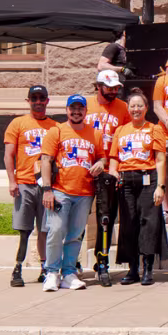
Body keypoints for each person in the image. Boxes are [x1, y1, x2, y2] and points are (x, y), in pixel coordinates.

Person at [39, 94, 104, 292]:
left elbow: (102, 158)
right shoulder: (56, 131)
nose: (76, 112)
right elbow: (45, 160)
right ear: (67, 110)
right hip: (60, 190)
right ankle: (51, 272)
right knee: (56, 231)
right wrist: (47, 189)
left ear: (85, 111)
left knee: (75, 235)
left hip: (85, 192)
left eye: (80, 109)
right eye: (72, 108)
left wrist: (100, 164)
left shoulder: (95, 134)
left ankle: (68, 273)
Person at [109, 90, 168, 286]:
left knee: (148, 222)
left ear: (146, 108)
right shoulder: (120, 130)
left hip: (147, 179)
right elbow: (114, 158)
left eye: (139, 106)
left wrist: (160, 186)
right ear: (128, 108)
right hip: (126, 180)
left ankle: (148, 267)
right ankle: (133, 268)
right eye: (132, 106)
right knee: (129, 222)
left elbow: (160, 159)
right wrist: (113, 173)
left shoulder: (154, 129)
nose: (136, 109)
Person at [3, 84, 57, 286]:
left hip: (45, 186)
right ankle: (17, 269)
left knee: (45, 229)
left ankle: (45, 268)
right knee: (24, 230)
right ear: (28, 101)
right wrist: (11, 180)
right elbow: (9, 155)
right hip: (24, 184)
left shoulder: (54, 126)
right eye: (34, 98)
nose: (38, 102)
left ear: (47, 101)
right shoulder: (17, 124)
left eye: (41, 98)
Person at [85, 69, 130, 286]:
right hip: (86, 166)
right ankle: (71, 263)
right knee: (80, 216)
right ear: (98, 86)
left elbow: (129, 135)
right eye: (108, 87)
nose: (112, 91)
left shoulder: (123, 108)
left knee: (106, 218)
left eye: (115, 88)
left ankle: (102, 261)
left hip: (110, 169)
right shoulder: (85, 105)